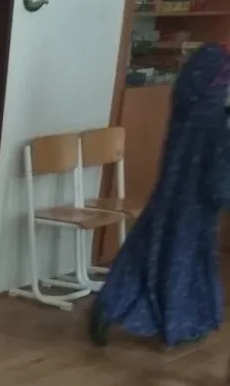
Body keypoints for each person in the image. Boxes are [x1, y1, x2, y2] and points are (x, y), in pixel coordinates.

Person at [89, 42, 230, 348]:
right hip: (196, 197)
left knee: (152, 245)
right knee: (179, 255)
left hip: (174, 186)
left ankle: (112, 306)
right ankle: (175, 321)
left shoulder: (203, 73)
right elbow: (218, 168)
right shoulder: (215, 103)